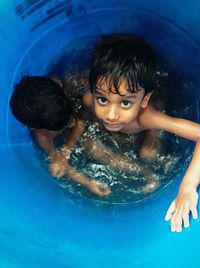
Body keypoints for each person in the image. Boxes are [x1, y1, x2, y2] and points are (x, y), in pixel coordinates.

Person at [88, 33, 200, 232]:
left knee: (148, 153)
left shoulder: (146, 116)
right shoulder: (89, 101)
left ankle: (154, 130)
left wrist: (188, 186)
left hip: (149, 119)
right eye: (102, 99)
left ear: (144, 99)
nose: (111, 115)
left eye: (125, 102)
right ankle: (146, 172)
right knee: (92, 146)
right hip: (130, 124)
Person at [10, 75, 111, 197]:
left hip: (73, 95)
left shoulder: (55, 85)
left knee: (77, 82)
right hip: (68, 136)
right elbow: (60, 163)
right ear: (34, 127)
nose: (73, 122)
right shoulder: (43, 138)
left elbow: (78, 120)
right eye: (64, 125)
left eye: (70, 118)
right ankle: (140, 169)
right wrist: (88, 183)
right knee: (95, 149)